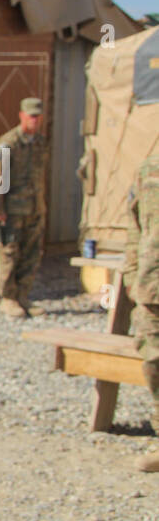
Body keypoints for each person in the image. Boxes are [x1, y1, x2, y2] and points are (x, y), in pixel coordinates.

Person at [0, 97, 49, 319]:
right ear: (21, 115)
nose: (35, 120)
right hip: (12, 210)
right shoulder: (8, 143)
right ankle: (8, 298)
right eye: (31, 116)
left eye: (38, 116)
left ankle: (23, 295)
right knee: (9, 253)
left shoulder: (40, 142)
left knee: (31, 253)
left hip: (35, 208)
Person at [122, 152, 159, 471]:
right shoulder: (148, 168)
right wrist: (132, 276)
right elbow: (133, 226)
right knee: (153, 363)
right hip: (152, 286)